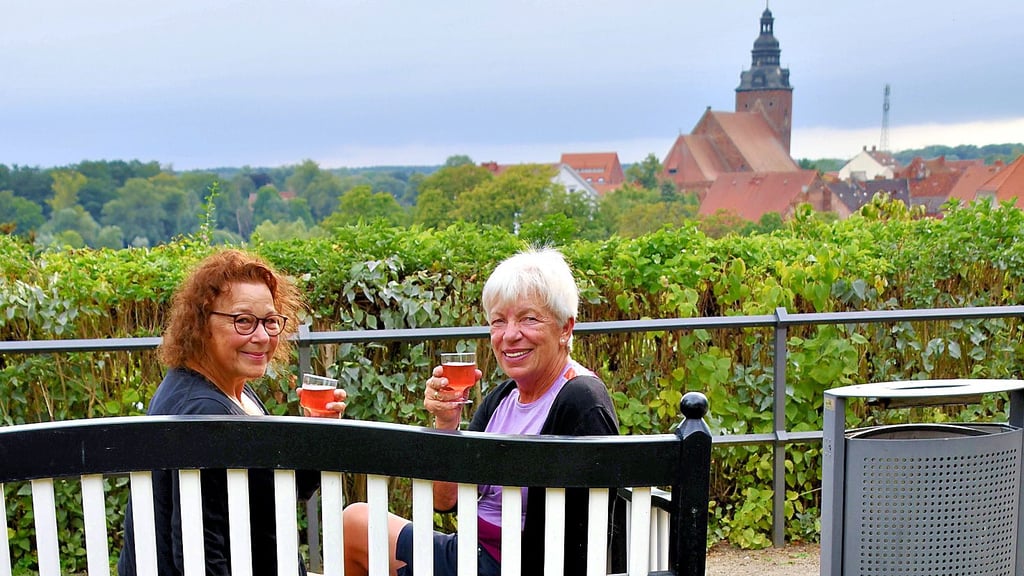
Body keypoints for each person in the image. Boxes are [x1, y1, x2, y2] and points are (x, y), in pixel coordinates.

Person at [342, 247, 620, 576]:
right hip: (472, 551)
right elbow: (445, 501)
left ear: (565, 328)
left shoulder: (581, 399)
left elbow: (584, 537)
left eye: (529, 318)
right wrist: (447, 424)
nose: (510, 335)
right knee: (355, 524)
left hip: (515, 567)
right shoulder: (502, 398)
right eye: (498, 321)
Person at [117, 249, 347, 576]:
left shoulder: (231, 392)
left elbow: (275, 493)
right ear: (201, 323)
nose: (262, 336)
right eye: (243, 321)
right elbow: (198, 551)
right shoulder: (204, 414)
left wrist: (317, 434)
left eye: (270, 321)